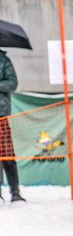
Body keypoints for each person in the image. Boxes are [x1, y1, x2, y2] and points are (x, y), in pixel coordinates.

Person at [0, 46, 22, 202]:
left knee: (7, 154)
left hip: (1, 115)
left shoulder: (4, 60)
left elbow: (12, 83)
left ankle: (15, 191)